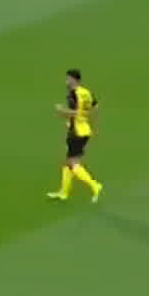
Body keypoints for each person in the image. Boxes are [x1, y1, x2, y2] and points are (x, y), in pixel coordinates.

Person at [48, 68, 103, 201]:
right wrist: (93, 126)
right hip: (85, 130)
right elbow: (95, 107)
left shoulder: (74, 94)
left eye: (68, 79)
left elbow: (75, 113)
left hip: (76, 132)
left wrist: (61, 111)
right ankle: (63, 193)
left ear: (74, 80)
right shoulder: (86, 92)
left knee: (73, 164)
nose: (66, 81)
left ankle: (95, 185)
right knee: (68, 163)